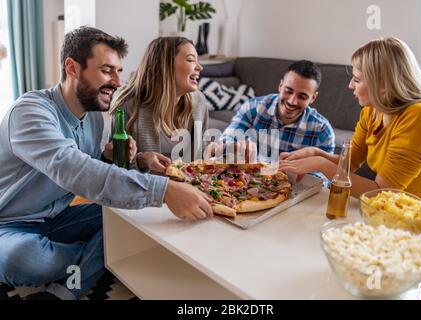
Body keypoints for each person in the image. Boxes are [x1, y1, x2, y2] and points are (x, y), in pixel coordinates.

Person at [0, 27, 212, 300]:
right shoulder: (31, 112)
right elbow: (74, 169)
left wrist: (127, 158)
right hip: (9, 223)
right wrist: (164, 190)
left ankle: (77, 279)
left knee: (131, 216)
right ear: (72, 68)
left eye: (119, 71)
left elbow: (94, 167)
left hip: (58, 218)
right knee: (28, 259)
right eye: (107, 70)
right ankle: (107, 259)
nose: (117, 81)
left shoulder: (95, 118)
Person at [280, 37, 421, 225]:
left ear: (383, 84)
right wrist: (313, 153)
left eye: (357, 79)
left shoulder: (420, 116)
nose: (350, 85)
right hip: (382, 217)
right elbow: (350, 163)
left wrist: (321, 164)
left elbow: (382, 191)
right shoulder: (372, 110)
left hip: (419, 227)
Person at [206, 60, 335, 174]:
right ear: (280, 86)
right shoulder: (252, 108)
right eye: (288, 91)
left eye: (302, 96)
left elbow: (322, 180)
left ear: (313, 97)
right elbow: (224, 141)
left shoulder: (323, 132)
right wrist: (234, 145)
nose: (292, 101)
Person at [110, 36, 209, 174]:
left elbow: (202, 154)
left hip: (190, 189)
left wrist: (223, 150)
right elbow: (114, 167)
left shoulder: (199, 101)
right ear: (165, 65)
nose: (199, 67)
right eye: (191, 60)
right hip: (146, 192)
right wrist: (142, 160)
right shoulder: (127, 106)